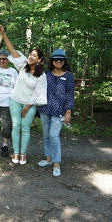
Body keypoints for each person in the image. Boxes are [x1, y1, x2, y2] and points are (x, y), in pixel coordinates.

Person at [0, 25, 47, 165]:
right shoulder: (22, 65)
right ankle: (16, 152)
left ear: (39, 60)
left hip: (30, 104)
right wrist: (3, 34)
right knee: (16, 126)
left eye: (34, 55)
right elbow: (12, 49)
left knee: (25, 128)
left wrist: (27, 107)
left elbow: (39, 93)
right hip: (15, 100)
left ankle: (23, 154)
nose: (31, 56)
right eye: (31, 54)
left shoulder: (42, 75)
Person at [38, 49, 74, 177]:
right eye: (56, 59)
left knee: (54, 136)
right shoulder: (46, 74)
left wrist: (68, 111)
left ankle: (56, 164)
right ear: (52, 61)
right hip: (44, 109)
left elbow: (70, 94)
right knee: (46, 135)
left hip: (60, 111)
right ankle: (48, 159)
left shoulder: (69, 75)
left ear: (64, 61)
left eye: (61, 59)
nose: (58, 61)